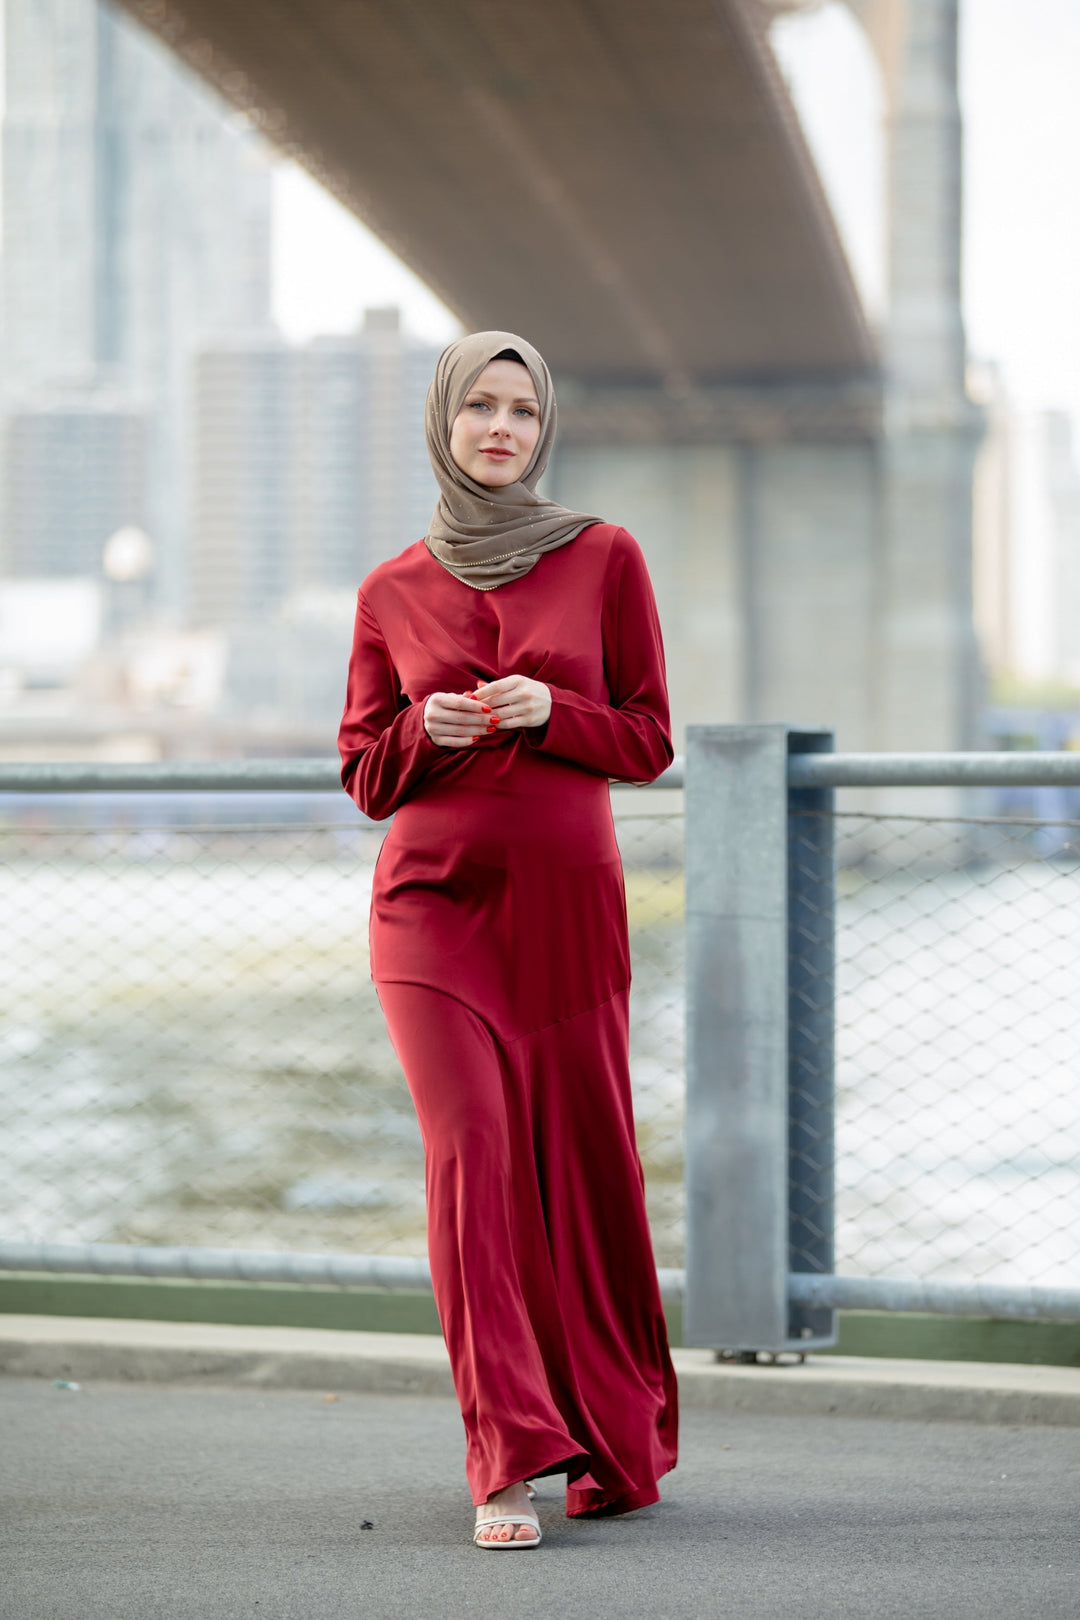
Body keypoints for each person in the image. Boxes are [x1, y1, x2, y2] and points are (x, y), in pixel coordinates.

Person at [338, 330, 678, 1550]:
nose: (500, 428)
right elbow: (364, 776)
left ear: (545, 429)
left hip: (568, 918)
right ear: (443, 420)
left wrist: (559, 712)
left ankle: (602, 1427)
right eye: (478, 406)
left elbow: (648, 738)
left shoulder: (604, 557)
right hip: (431, 912)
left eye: (522, 410)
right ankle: (505, 1459)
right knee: (472, 1159)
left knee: (585, 1179)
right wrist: (427, 731)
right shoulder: (389, 591)